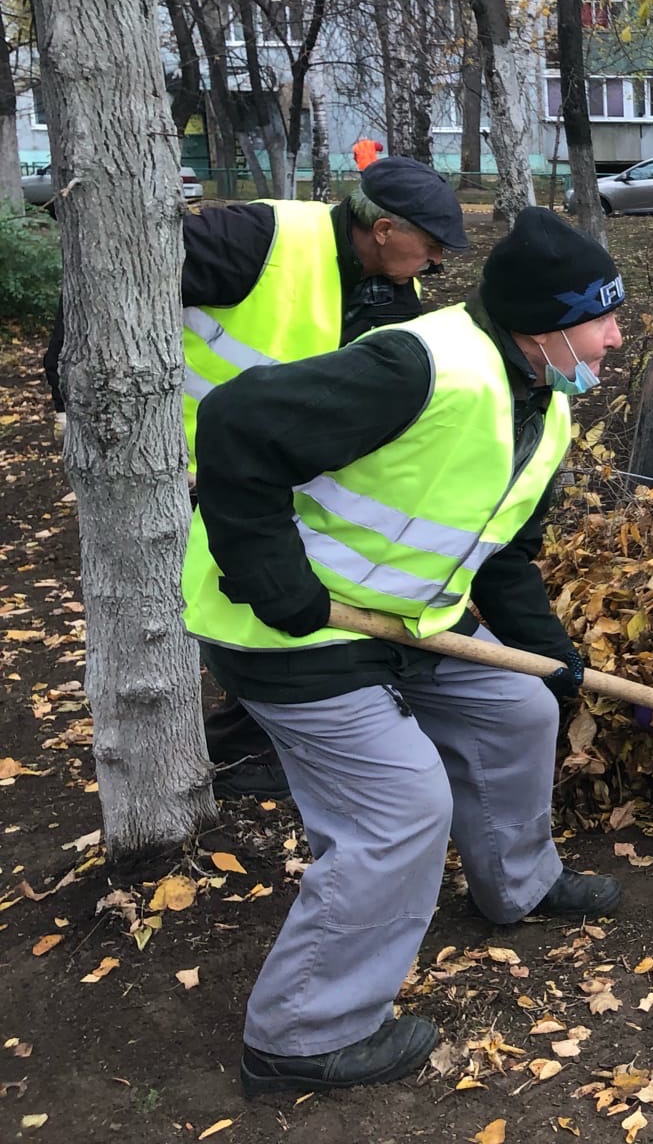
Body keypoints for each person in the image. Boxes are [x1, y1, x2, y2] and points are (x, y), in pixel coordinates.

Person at [182, 207, 627, 1097]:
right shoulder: (421, 367)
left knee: (519, 709)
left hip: (410, 623)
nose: (617, 337)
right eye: (601, 318)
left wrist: (549, 652)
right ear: (543, 326)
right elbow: (236, 423)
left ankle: (517, 886)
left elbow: (503, 555)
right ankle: (302, 1035)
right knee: (400, 809)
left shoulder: (545, 404)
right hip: (292, 631)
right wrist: (277, 580)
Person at [42, 157, 469, 801]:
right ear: (383, 229)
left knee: (264, 594)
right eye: (431, 246)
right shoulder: (257, 241)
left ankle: (246, 744)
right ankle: (167, 756)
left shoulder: (389, 291)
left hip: (267, 473)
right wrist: (72, 400)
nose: (436, 263)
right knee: (175, 612)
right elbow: (108, 286)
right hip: (169, 466)